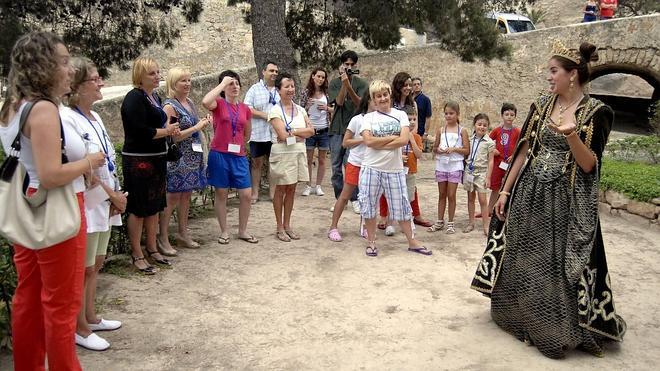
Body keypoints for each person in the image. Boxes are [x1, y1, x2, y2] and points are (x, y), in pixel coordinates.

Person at [471, 40, 626, 358]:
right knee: (524, 255)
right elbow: (524, 151)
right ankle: (520, 317)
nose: (549, 77)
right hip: (530, 192)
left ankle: (556, 328)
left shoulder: (597, 112)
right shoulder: (541, 105)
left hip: (565, 199)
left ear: (572, 74)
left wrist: (571, 134)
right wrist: (505, 191)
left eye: (553, 71)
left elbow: (588, 164)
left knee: (557, 265)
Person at [0, 31, 106, 371]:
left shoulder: (12, 108)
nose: (68, 68)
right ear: (45, 66)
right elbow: (51, 174)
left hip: (28, 210)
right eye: (62, 61)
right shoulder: (43, 109)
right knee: (61, 306)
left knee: (28, 298)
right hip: (58, 211)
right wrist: (89, 162)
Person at [61, 57, 126, 351]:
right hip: (88, 202)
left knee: (96, 263)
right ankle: (80, 328)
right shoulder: (68, 117)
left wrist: (115, 193)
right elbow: (83, 165)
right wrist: (112, 195)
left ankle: (91, 315)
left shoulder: (95, 116)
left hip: (104, 200)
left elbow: (106, 159)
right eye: (95, 79)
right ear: (78, 86)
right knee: (83, 267)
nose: (101, 83)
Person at [121, 57, 180, 274]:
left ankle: (152, 248)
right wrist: (168, 132)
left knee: (155, 205)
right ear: (140, 76)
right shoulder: (133, 99)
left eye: (157, 72)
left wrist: (168, 126)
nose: (157, 76)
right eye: (152, 73)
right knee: (138, 208)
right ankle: (136, 253)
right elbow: (140, 131)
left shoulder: (153, 96)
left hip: (156, 158)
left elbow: (159, 122)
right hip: (139, 160)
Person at [359, 80, 431, 257]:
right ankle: (371, 242)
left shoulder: (401, 115)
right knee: (369, 205)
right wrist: (392, 138)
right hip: (372, 168)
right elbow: (368, 141)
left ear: (390, 95)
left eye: (385, 94)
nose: (382, 98)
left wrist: (380, 142)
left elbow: (403, 139)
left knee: (402, 206)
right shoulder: (367, 118)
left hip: (394, 169)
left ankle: (412, 241)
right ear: (373, 99)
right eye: (378, 96)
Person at [202, 70, 258, 244]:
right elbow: (205, 101)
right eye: (230, 84)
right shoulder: (218, 104)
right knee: (221, 193)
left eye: (236, 83)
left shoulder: (245, 108)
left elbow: (247, 132)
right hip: (219, 154)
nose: (234, 86)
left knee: (246, 194)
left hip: (238, 155)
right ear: (223, 88)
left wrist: (239, 144)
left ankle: (242, 230)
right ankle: (224, 231)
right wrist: (222, 83)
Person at [157, 67, 210, 254]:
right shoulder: (169, 106)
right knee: (172, 198)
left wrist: (201, 124)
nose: (187, 84)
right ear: (173, 83)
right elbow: (173, 137)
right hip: (177, 159)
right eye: (183, 81)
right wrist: (197, 126)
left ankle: (183, 233)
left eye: (189, 80)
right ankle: (163, 237)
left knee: (186, 195)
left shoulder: (189, 102)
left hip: (192, 157)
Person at [268, 72, 314, 242]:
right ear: (278, 90)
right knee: (280, 189)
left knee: (292, 189)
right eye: (286, 86)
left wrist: (293, 132)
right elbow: (281, 134)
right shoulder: (274, 111)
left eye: (292, 86)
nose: (290, 89)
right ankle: (279, 226)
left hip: (297, 153)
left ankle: (288, 225)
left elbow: (311, 131)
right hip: (282, 154)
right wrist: (299, 134)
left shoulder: (300, 109)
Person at [378, 105, 430, 236]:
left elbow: (419, 155)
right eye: (409, 119)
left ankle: (409, 221)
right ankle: (390, 223)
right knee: (393, 197)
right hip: (396, 171)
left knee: (408, 198)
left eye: (414, 119)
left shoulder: (417, 137)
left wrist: (412, 140)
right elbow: (389, 151)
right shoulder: (396, 135)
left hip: (410, 173)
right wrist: (399, 156)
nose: (412, 122)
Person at [327, 91, 372, 242]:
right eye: (374, 99)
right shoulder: (357, 119)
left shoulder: (380, 119)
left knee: (368, 197)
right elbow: (345, 142)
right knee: (345, 196)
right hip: (356, 162)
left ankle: (365, 226)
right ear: (368, 101)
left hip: (371, 164)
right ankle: (333, 227)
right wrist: (362, 140)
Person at [328, 50, 369, 214]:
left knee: (351, 165)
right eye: (347, 64)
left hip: (354, 130)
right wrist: (344, 83)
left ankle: (354, 198)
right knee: (336, 167)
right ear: (342, 65)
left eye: (352, 64)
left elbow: (360, 103)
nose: (349, 67)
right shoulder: (334, 83)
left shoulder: (362, 84)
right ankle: (340, 198)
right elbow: (338, 101)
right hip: (337, 128)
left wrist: (348, 84)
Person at [428, 101, 470, 234]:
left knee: (451, 195)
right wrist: (438, 150)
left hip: (455, 165)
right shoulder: (440, 130)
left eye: (451, 113)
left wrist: (455, 149)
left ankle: (451, 223)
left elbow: (467, 150)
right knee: (442, 194)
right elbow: (433, 148)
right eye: (446, 113)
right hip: (442, 164)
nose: (448, 116)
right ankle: (440, 221)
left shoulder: (462, 130)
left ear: (457, 114)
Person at [245, 60, 279, 204]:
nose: (274, 74)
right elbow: (247, 109)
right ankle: (255, 193)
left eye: (276, 71)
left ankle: (273, 193)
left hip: (275, 133)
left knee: (273, 163)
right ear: (263, 72)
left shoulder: (279, 89)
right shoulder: (254, 89)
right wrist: (265, 115)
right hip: (258, 133)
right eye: (271, 71)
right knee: (256, 164)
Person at [300, 67, 333, 196]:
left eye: (323, 77)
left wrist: (326, 108)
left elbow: (334, 110)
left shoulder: (327, 93)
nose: (320, 79)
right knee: (308, 159)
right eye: (318, 76)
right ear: (313, 76)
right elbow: (300, 110)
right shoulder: (306, 92)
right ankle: (308, 185)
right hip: (309, 130)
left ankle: (318, 185)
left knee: (322, 160)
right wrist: (307, 107)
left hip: (324, 129)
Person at [462, 113, 495, 235]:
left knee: (482, 200)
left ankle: (486, 226)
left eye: (485, 125)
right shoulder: (469, 140)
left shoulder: (489, 142)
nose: (482, 127)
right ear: (474, 125)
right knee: (470, 197)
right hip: (469, 171)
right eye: (479, 124)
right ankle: (471, 223)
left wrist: (488, 177)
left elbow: (491, 161)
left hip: (481, 173)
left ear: (488, 127)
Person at [487, 103, 521, 215]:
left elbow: (521, 145)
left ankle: (507, 210)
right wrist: (493, 150)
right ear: (502, 115)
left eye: (512, 114)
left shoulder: (517, 131)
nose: (509, 117)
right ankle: (489, 210)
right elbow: (487, 141)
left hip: (510, 164)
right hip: (498, 164)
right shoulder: (497, 130)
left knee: (509, 188)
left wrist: (514, 154)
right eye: (507, 114)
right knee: (495, 188)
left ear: (515, 116)